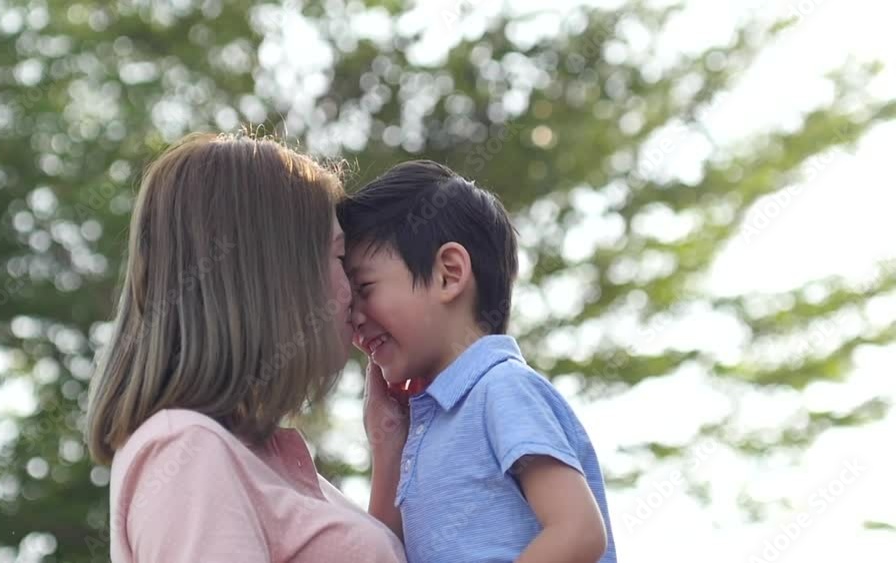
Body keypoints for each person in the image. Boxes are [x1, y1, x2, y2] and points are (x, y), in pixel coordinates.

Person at [85, 132, 407, 563]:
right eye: (337, 258)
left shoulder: (256, 456)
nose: (352, 289)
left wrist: (390, 449)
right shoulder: (187, 451)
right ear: (272, 272)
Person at [339, 160, 618, 563]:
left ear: (449, 274)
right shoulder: (428, 423)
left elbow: (579, 531)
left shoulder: (501, 388)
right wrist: (387, 443)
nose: (354, 315)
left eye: (364, 288)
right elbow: (384, 552)